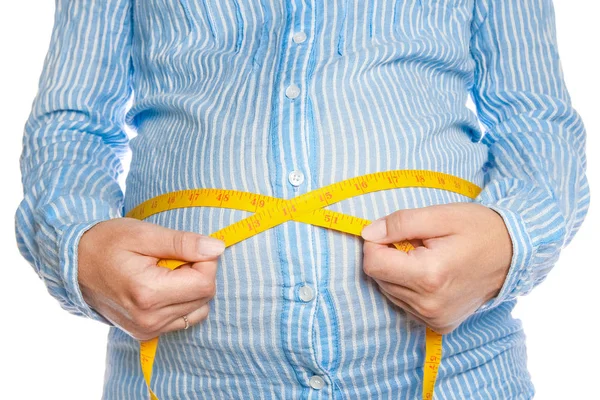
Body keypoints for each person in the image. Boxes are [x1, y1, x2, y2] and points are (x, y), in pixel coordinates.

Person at [14, 0, 589, 398]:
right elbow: (73, 125)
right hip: (181, 380)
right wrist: (78, 246)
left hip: (460, 377)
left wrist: (512, 240)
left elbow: (536, 122)